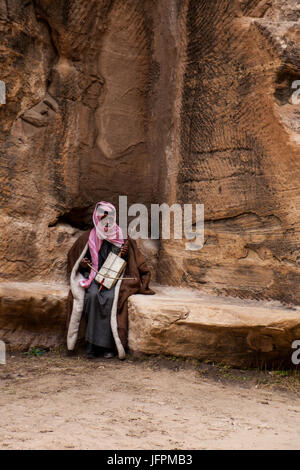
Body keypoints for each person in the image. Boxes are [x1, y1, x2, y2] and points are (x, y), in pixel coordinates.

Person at [66, 201, 154, 360]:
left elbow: (135, 262)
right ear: (97, 218)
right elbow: (75, 259)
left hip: (116, 279)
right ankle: (92, 345)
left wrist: (125, 254)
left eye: (109, 217)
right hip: (94, 278)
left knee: (111, 298)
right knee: (92, 295)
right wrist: (84, 265)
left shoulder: (122, 237)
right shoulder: (89, 237)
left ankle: (109, 346)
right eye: (103, 217)